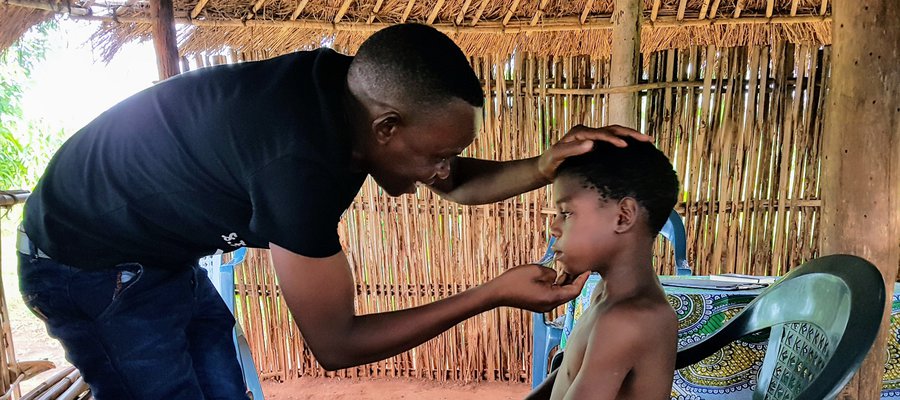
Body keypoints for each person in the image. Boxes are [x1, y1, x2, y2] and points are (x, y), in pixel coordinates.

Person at [18, 23, 650, 399]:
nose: (443, 170)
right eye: (438, 155)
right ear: (387, 128)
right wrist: (489, 295)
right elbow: (336, 345)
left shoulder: (352, 95)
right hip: (87, 265)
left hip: (158, 256)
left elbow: (455, 183)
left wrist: (542, 165)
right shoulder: (298, 167)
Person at [526, 137, 680, 400]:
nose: (553, 227)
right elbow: (568, 373)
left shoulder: (628, 319)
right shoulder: (605, 293)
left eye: (566, 213)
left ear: (623, 216)